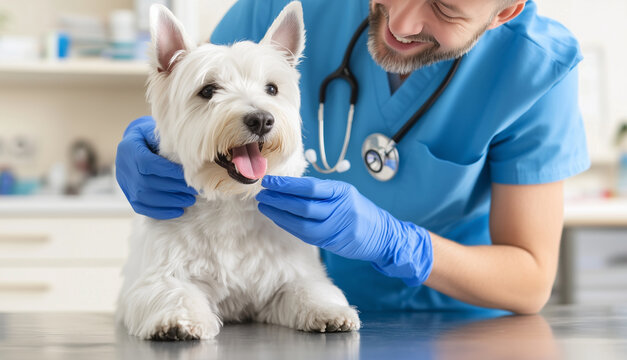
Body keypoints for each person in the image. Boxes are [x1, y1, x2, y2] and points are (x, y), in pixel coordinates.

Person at [116, 0, 589, 315]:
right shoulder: (281, 4)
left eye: (444, 7)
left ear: (504, 9)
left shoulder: (537, 67)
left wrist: (397, 243)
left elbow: (530, 279)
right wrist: (150, 140)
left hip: (456, 329)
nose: (400, 23)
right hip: (283, 319)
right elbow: (193, 93)